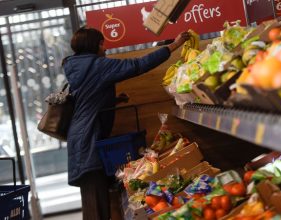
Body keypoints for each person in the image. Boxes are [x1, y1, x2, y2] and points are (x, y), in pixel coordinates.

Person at [62, 27, 190, 220]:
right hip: (88, 140)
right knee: (96, 206)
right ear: (93, 46)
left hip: (82, 137)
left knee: (95, 201)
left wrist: (112, 100)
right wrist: (175, 45)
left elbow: (86, 98)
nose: (104, 48)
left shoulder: (79, 66)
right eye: (101, 43)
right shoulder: (97, 65)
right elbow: (138, 65)